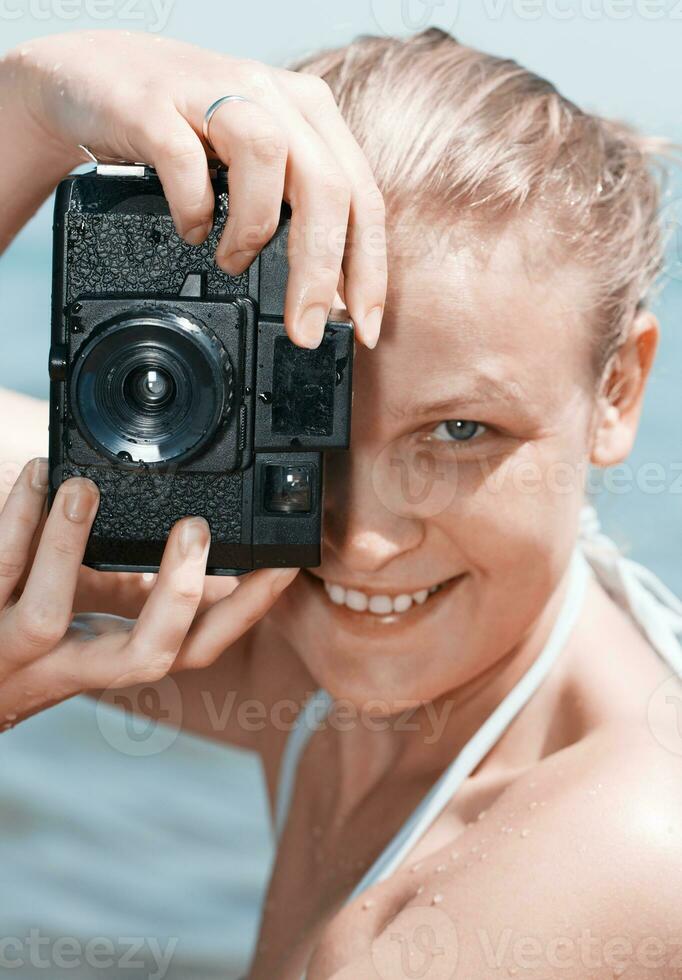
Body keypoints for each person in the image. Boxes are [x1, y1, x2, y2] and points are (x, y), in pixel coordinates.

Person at [1, 27, 682, 980]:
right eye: (299, 421)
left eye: (457, 433)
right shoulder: (320, 654)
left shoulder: (582, 875)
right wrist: (29, 107)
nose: (359, 541)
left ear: (617, 391)